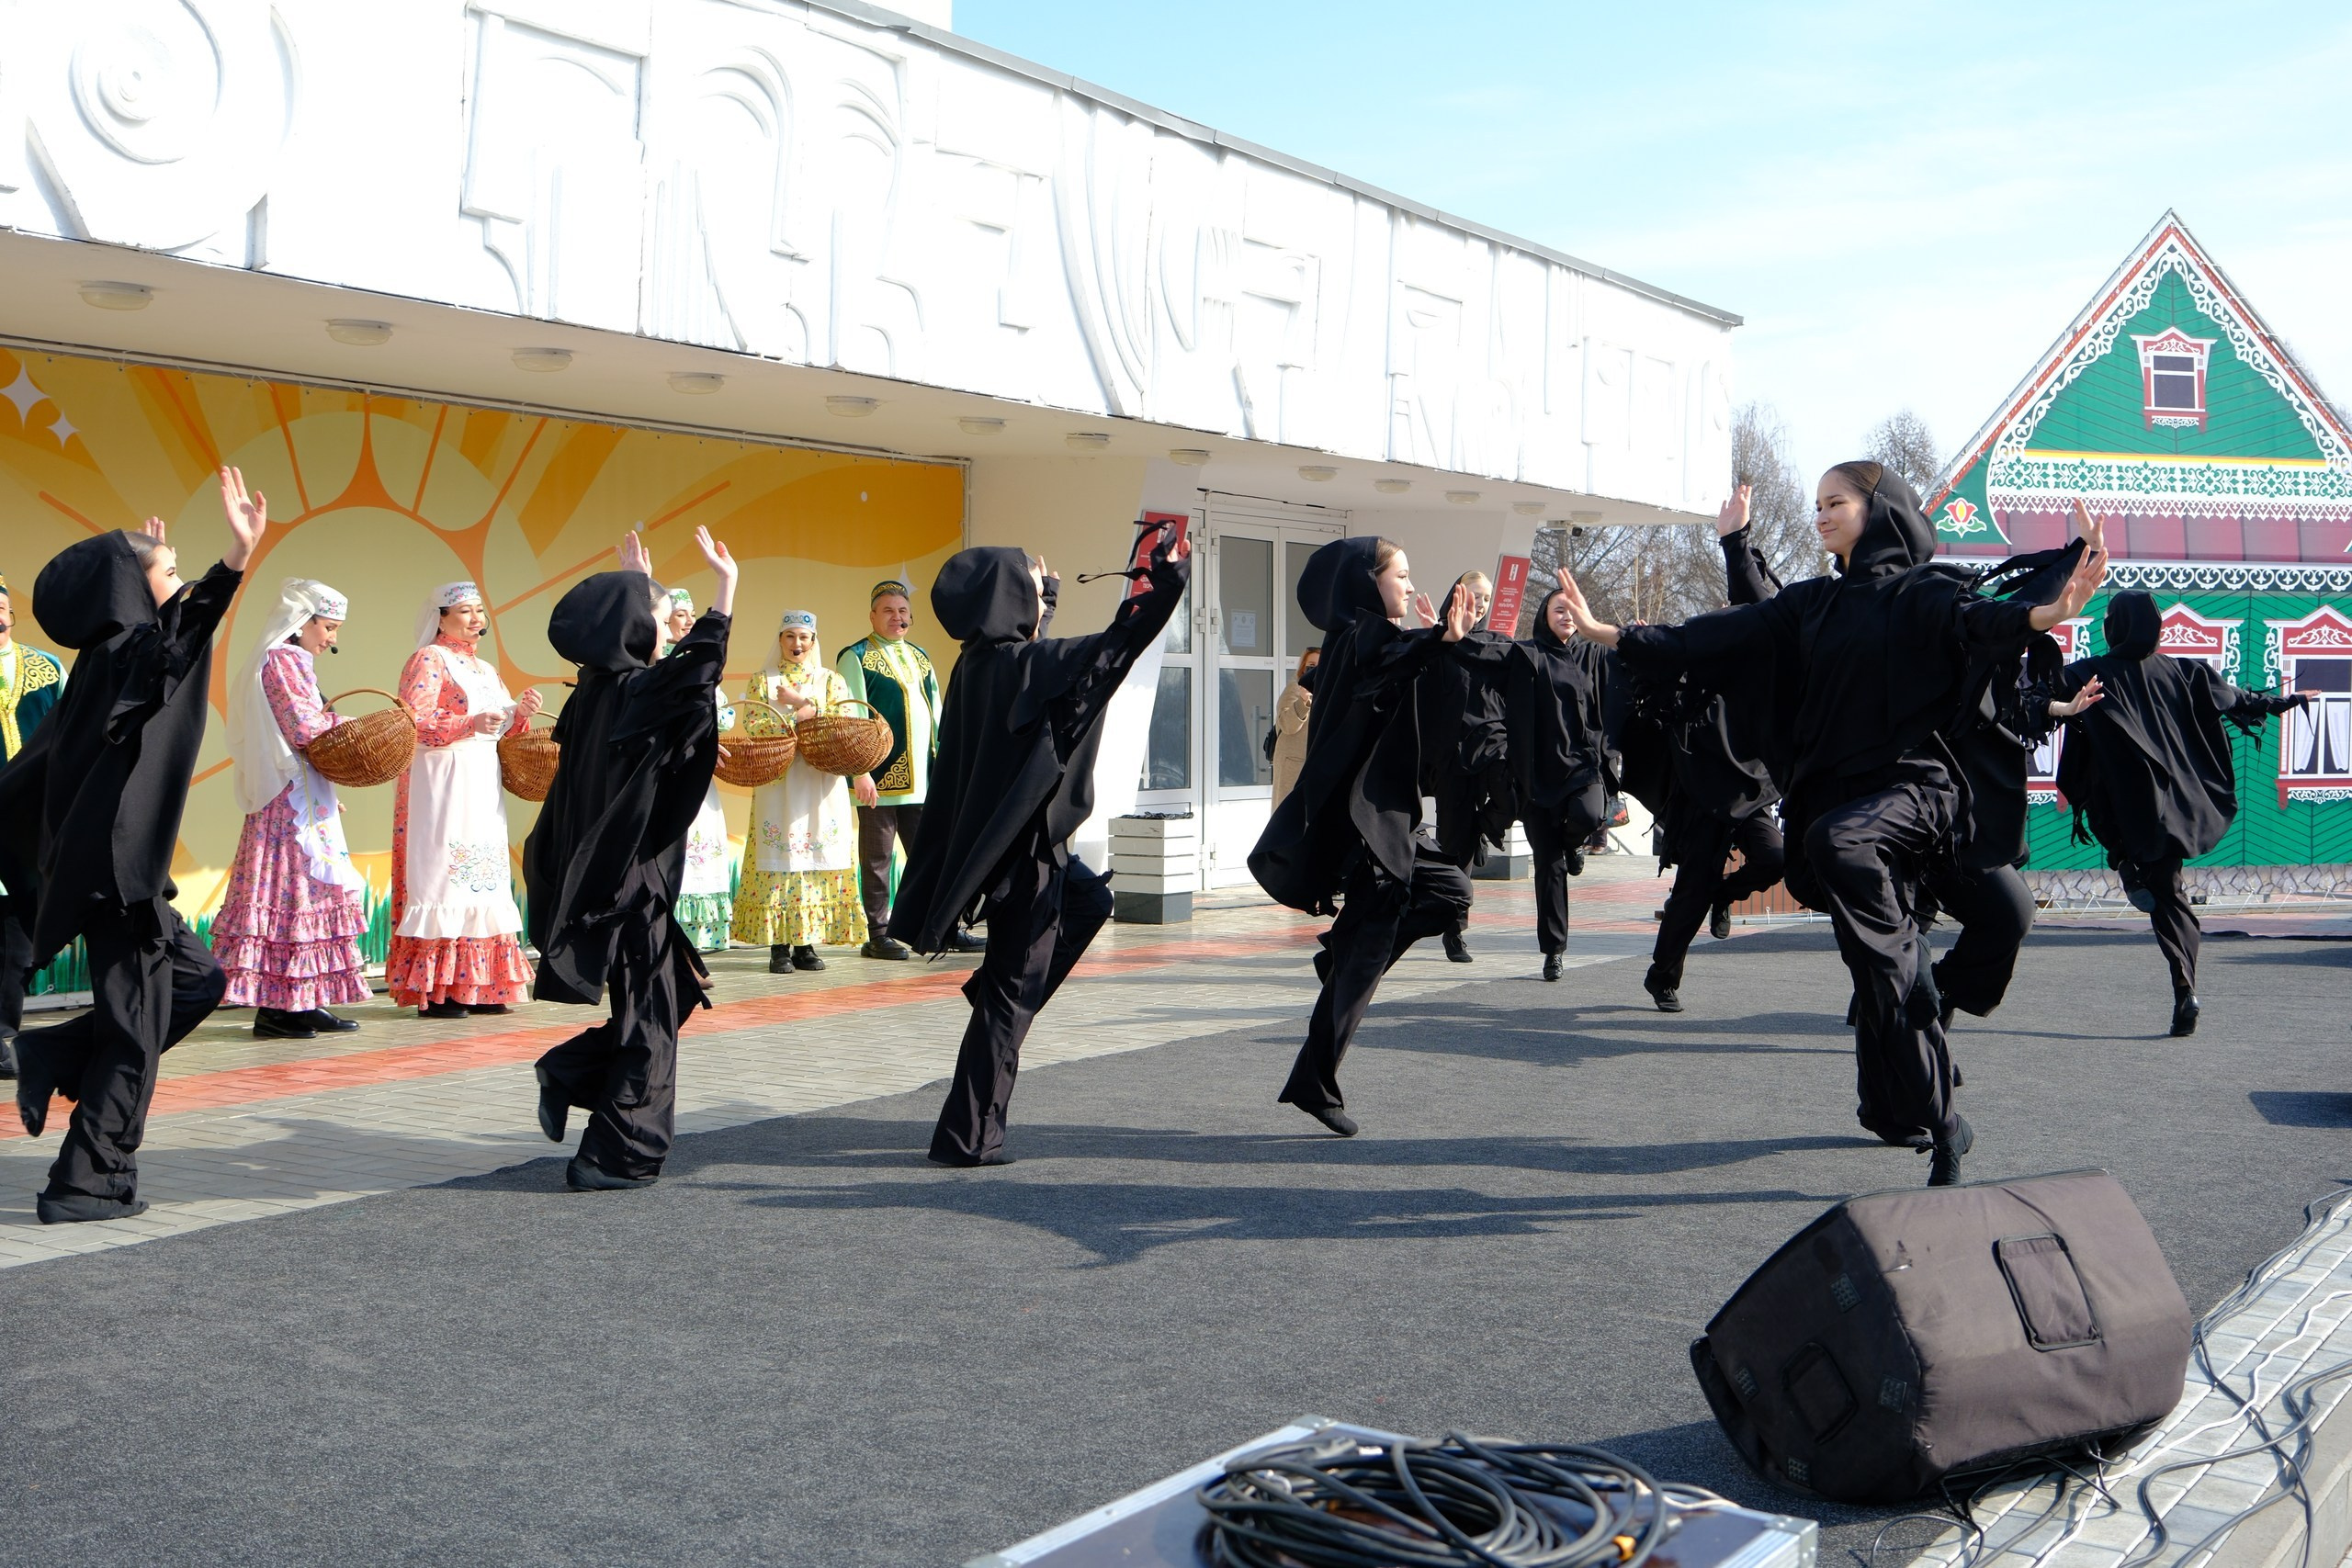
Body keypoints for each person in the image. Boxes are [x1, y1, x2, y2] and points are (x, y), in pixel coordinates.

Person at [1549, 463, 2107, 1186]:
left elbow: (1986, 619)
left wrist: (2046, 610)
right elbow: (1719, 633)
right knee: (1878, 967)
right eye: (1815, 504)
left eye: (1834, 501)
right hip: (1841, 818)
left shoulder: (1925, 591)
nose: (1820, 514)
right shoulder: (1811, 604)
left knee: (2005, 912)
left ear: (1880, 509)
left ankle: (1934, 989)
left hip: (1920, 802)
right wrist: (1612, 633)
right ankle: (1915, 1111)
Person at [2, 468, 266, 1222]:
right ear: (129, 591)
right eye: (168, 571)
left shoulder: (108, 657)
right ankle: (86, 1182)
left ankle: (51, 1053)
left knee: (199, 981)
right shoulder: (126, 657)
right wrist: (235, 560)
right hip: (119, 883)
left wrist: (151, 569)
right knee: (132, 1033)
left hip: (118, 877)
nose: (179, 585)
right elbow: (180, 638)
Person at [892, 527, 1191, 1166]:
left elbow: (1035, 666)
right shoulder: (1016, 667)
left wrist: (1046, 599)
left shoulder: (977, 665)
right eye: (1029, 586)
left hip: (1014, 850)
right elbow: (1113, 648)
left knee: (1089, 903)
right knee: (1011, 996)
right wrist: (1165, 586)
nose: (1037, 591)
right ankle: (968, 1136)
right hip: (1026, 860)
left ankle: (996, 992)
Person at [526, 528, 736, 1190]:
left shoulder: (593, 691)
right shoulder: (632, 694)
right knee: (651, 1016)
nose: (665, 628)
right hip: (628, 881)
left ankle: (572, 1072)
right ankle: (615, 1154)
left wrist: (638, 586)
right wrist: (724, 590)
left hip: (607, 875)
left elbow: (673, 681)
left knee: (666, 998)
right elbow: (695, 673)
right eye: (656, 618)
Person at [1250, 537, 1477, 1137]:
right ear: (1366, 581)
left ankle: (1338, 957)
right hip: (1366, 829)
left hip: (1391, 822)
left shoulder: (1370, 640)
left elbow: (1412, 684)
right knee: (1370, 953)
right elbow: (1390, 659)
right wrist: (1437, 639)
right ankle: (1315, 1076)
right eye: (1400, 575)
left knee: (1449, 892)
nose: (1410, 585)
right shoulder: (1356, 639)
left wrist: (1442, 645)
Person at [2052, 589, 2305, 1037]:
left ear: (2112, 628)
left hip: (2122, 808)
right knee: (2169, 893)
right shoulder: (2185, 671)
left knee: (2156, 882)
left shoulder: (2086, 674)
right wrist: (2283, 701)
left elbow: (2034, 699)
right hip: (2173, 806)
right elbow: (2237, 698)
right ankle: (2185, 988)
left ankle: (2128, 868)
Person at [1615, 497, 1787, 1013]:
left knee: (1775, 859)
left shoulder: (1758, 667)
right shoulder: (1689, 672)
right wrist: (1641, 648)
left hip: (1751, 787)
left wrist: (1738, 541)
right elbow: (1646, 685)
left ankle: (1725, 896)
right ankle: (1662, 976)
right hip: (1702, 793)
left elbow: (1761, 605)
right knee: (1691, 888)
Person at [211, 578, 372, 1040]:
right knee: (294, 888)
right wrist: (354, 725)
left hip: (300, 789)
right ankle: (277, 1008)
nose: (332, 639)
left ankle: (303, 999)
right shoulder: (282, 659)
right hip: (287, 798)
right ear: (303, 621)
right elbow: (303, 727)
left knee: (306, 890)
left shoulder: (291, 660)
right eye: (329, 627)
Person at [386, 582, 540, 1019]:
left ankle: (481, 986)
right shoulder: (428, 658)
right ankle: (440, 990)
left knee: (482, 877)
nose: (476, 619)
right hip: (441, 778)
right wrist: (468, 723)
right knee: (442, 875)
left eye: (479, 611)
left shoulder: (485, 669)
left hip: (480, 778)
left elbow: (500, 729)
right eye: (465, 611)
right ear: (440, 617)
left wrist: (520, 715)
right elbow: (412, 720)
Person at [837, 580, 978, 959]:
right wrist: (860, 772)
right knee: (877, 860)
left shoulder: (919, 655)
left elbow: (939, 714)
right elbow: (851, 718)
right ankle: (877, 934)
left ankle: (942, 929)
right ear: (872, 616)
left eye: (902, 611)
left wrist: (949, 766)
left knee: (932, 857)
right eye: (887, 610)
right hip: (880, 778)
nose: (896, 617)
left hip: (925, 780)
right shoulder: (855, 656)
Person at [730, 611, 862, 973]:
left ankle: (806, 944)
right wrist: (793, 718)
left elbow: (843, 721)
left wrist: (804, 705)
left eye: (804, 637)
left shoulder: (830, 680)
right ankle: (779, 946)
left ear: (814, 641)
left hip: (821, 779)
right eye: (790, 636)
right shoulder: (763, 680)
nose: (797, 644)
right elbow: (754, 724)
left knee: (816, 857)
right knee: (781, 856)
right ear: (780, 640)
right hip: (780, 780)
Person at [1507, 587, 1617, 982]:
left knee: (1589, 816)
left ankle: (1574, 845)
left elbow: (1630, 664)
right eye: (1559, 610)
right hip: (1538, 775)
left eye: (1572, 610)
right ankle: (1553, 951)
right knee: (1548, 866)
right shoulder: (1528, 654)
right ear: (1545, 615)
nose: (1567, 616)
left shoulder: (1593, 654)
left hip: (1584, 767)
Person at [1419, 570, 1512, 964]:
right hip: (1452, 759)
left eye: (1487, 598)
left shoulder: (1498, 644)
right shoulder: (1436, 644)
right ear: (1458, 596)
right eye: (1475, 596)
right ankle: (1455, 929)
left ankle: (1483, 828)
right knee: (1455, 844)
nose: (1482, 604)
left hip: (1493, 749)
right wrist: (1435, 637)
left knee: (1510, 799)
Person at [0, 571, 66, 1077]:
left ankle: (4, 1030)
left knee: (24, 925)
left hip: (29, 817)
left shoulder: (46, 667)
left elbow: (70, 736)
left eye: (1, 606)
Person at [662, 588, 736, 953]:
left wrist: (709, 734)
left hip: (700, 771)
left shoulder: (699, 659)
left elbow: (723, 712)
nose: (690, 621)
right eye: (681, 614)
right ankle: (669, 936)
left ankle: (697, 938)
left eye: (692, 614)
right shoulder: (658, 663)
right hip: (669, 770)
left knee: (701, 839)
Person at [1269, 648, 1318, 807]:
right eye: (1311, 665)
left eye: (1321, 665)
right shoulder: (1295, 688)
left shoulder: (1326, 691)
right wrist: (1303, 701)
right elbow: (1287, 725)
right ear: (1303, 667)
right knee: (1287, 811)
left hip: (1312, 763)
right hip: (1292, 764)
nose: (1316, 669)